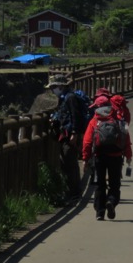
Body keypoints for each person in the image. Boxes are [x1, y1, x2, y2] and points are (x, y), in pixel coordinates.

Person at [82, 95, 132, 220]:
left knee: (100, 184)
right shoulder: (119, 118)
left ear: (98, 107)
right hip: (116, 157)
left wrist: (85, 159)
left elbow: (87, 141)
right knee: (115, 184)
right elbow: (126, 138)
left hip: (99, 157)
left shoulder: (94, 121)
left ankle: (100, 211)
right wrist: (128, 155)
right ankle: (111, 201)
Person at [46, 74, 88, 202]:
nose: (52, 89)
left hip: (70, 135)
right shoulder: (64, 97)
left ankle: (73, 193)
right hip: (66, 134)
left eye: (53, 87)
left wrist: (75, 133)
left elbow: (75, 116)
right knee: (68, 163)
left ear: (60, 86)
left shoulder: (70, 98)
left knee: (68, 163)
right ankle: (73, 192)